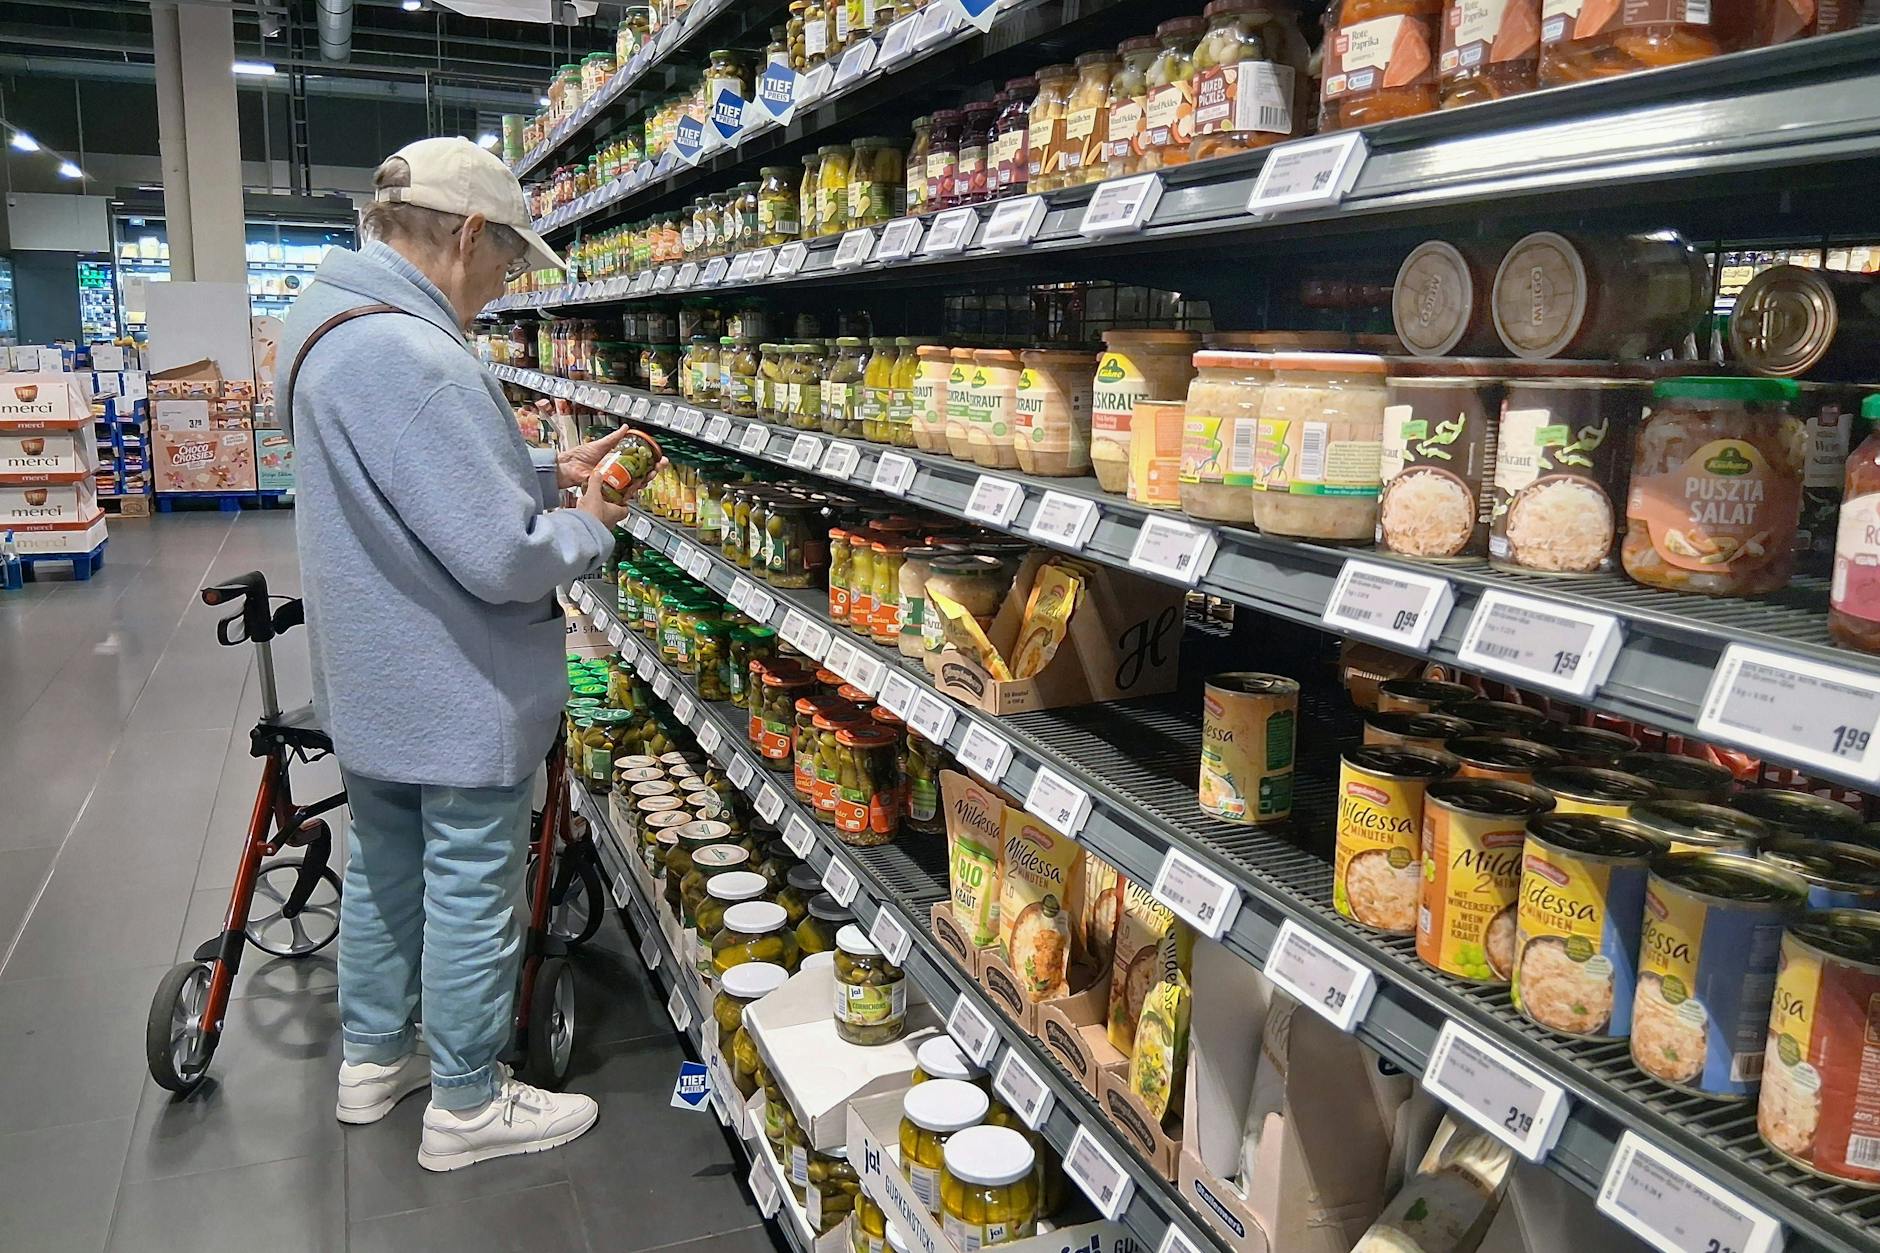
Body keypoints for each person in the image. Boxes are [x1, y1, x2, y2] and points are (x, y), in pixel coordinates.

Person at [280, 137, 645, 1171]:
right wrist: (586, 519)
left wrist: (529, 465)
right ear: (467, 233)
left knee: (386, 871)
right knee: (472, 887)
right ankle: (468, 1101)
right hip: (453, 684)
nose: (504, 285)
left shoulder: (324, 323)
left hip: (371, 672)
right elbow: (502, 559)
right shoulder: (419, 355)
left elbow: (401, 477)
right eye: (507, 262)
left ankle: (370, 1061)